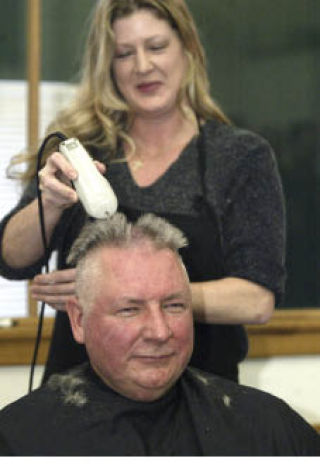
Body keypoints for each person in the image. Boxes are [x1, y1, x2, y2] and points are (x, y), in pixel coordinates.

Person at [0, 0, 286, 383]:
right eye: (124, 53)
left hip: (198, 395)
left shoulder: (238, 156)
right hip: (78, 393)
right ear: (109, 65)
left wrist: (113, 296)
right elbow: (12, 259)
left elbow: (255, 300)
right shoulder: (82, 150)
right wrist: (48, 204)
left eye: (156, 47)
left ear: (187, 49)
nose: (142, 66)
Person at [0, 213, 317, 457]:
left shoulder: (268, 429)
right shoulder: (18, 440)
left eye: (174, 305)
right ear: (79, 320)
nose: (160, 331)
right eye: (130, 309)